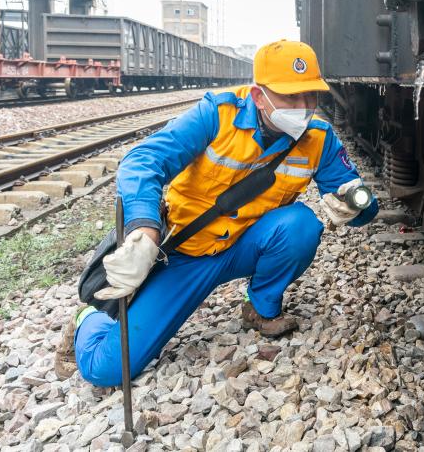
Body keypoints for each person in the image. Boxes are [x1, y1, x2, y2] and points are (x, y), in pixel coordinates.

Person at [53, 40, 377, 386]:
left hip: (243, 247)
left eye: (310, 96)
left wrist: (357, 208)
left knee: (301, 226)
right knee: (108, 370)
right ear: (258, 96)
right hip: (185, 255)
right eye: (290, 97)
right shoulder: (217, 115)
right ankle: (88, 318)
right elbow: (142, 162)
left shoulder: (319, 138)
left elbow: (355, 197)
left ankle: (260, 307)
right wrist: (145, 230)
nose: (302, 107)